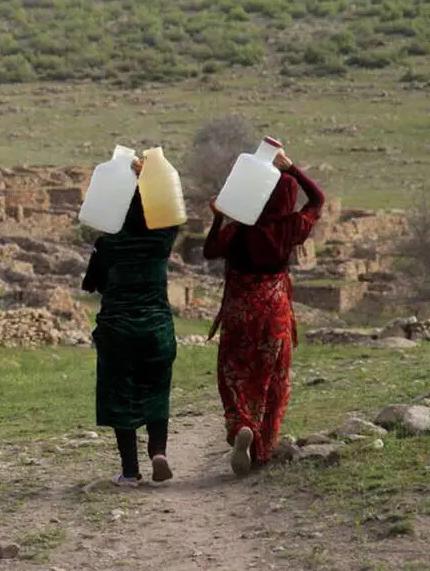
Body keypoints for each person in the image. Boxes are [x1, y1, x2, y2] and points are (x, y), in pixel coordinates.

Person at [203, 150, 324, 477]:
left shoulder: (239, 230)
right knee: (274, 379)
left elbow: (209, 250)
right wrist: (292, 169)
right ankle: (262, 448)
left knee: (234, 373)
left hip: (239, 314)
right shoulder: (293, 227)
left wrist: (218, 217)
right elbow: (317, 199)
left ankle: (243, 424)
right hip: (274, 313)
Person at [82, 157, 182, 487]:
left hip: (118, 330)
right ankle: (158, 451)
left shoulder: (108, 244)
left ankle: (129, 471)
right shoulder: (161, 240)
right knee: (156, 390)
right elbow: (171, 218)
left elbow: (92, 284)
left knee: (120, 395)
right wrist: (151, 183)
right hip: (156, 328)